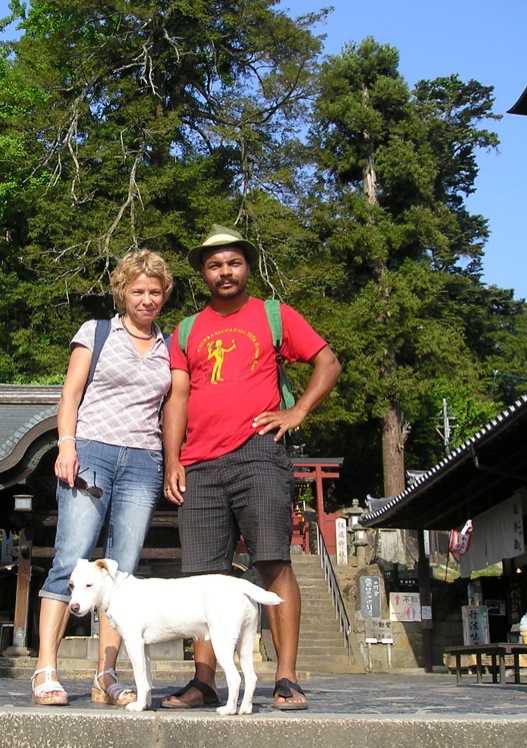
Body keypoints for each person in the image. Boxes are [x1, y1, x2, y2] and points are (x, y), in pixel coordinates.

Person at [161, 224, 341, 711]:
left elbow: (328, 361)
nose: (225, 272)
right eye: (215, 264)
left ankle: (285, 676)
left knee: (272, 560)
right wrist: (172, 458)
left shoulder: (272, 315)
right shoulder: (187, 329)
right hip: (199, 463)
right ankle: (204, 681)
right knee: (203, 577)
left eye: (233, 263)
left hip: (258, 453)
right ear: (203, 272)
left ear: (247, 267)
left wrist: (297, 411)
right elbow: (177, 397)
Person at [31, 249, 174, 707]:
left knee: (121, 573)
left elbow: (172, 407)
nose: (147, 299)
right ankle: (45, 668)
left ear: (164, 295)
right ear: (122, 292)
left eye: (155, 292)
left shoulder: (169, 346)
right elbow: (70, 393)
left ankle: (106, 675)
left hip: (142, 462)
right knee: (71, 557)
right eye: (138, 291)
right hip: (90, 451)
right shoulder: (96, 332)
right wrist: (66, 444)